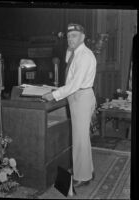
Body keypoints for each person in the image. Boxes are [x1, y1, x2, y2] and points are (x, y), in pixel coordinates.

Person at [42, 23, 97, 187]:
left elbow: (74, 84)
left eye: (74, 36)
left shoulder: (85, 56)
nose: (70, 39)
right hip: (77, 96)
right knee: (82, 138)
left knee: (80, 139)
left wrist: (53, 95)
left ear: (83, 37)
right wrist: (70, 49)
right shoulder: (76, 53)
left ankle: (82, 176)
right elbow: (68, 64)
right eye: (68, 36)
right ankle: (88, 170)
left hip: (81, 96)